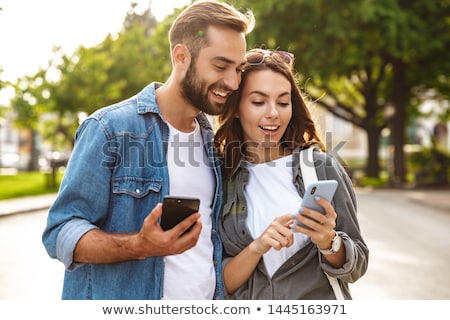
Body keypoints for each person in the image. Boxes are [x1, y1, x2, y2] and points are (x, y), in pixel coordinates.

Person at [42, 0, 254, 300]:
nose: (232, 82)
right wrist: (140, 245)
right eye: (220, 66)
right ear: (181, 56)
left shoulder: (213, 142)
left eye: (238, 69)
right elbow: (59, 231)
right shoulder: (109, 129)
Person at [214, 48, 369, 299]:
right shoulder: (221, 178)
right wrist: (258, 247)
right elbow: (219, 283)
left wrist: (329, 241)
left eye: (283, 102)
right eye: (258, 101)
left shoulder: (321, 167)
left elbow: (357, 265)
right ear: (236, 108)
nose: (273, 112)